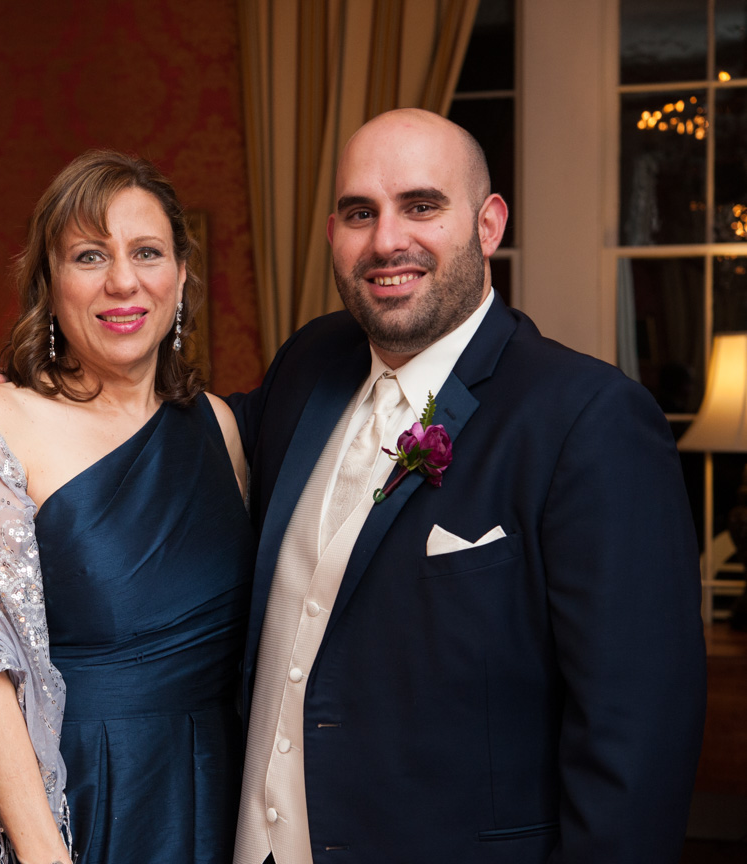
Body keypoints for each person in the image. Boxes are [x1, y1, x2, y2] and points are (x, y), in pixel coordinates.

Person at [231, 108, 706, 863]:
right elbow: (180, 440)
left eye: (422, 206)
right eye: (361, 213)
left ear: (488, 225)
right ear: (331, 235)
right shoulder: (307, 366)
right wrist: (33, 399)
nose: (387, 240)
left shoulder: (589, 419)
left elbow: (636, 742)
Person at [0, 151, 254, 864]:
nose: (123, 281)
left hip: (221, 794)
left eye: (147, 252)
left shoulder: (218, 427)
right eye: (89, 255)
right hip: (83, 801)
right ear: (49, 282)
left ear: (179, 277)